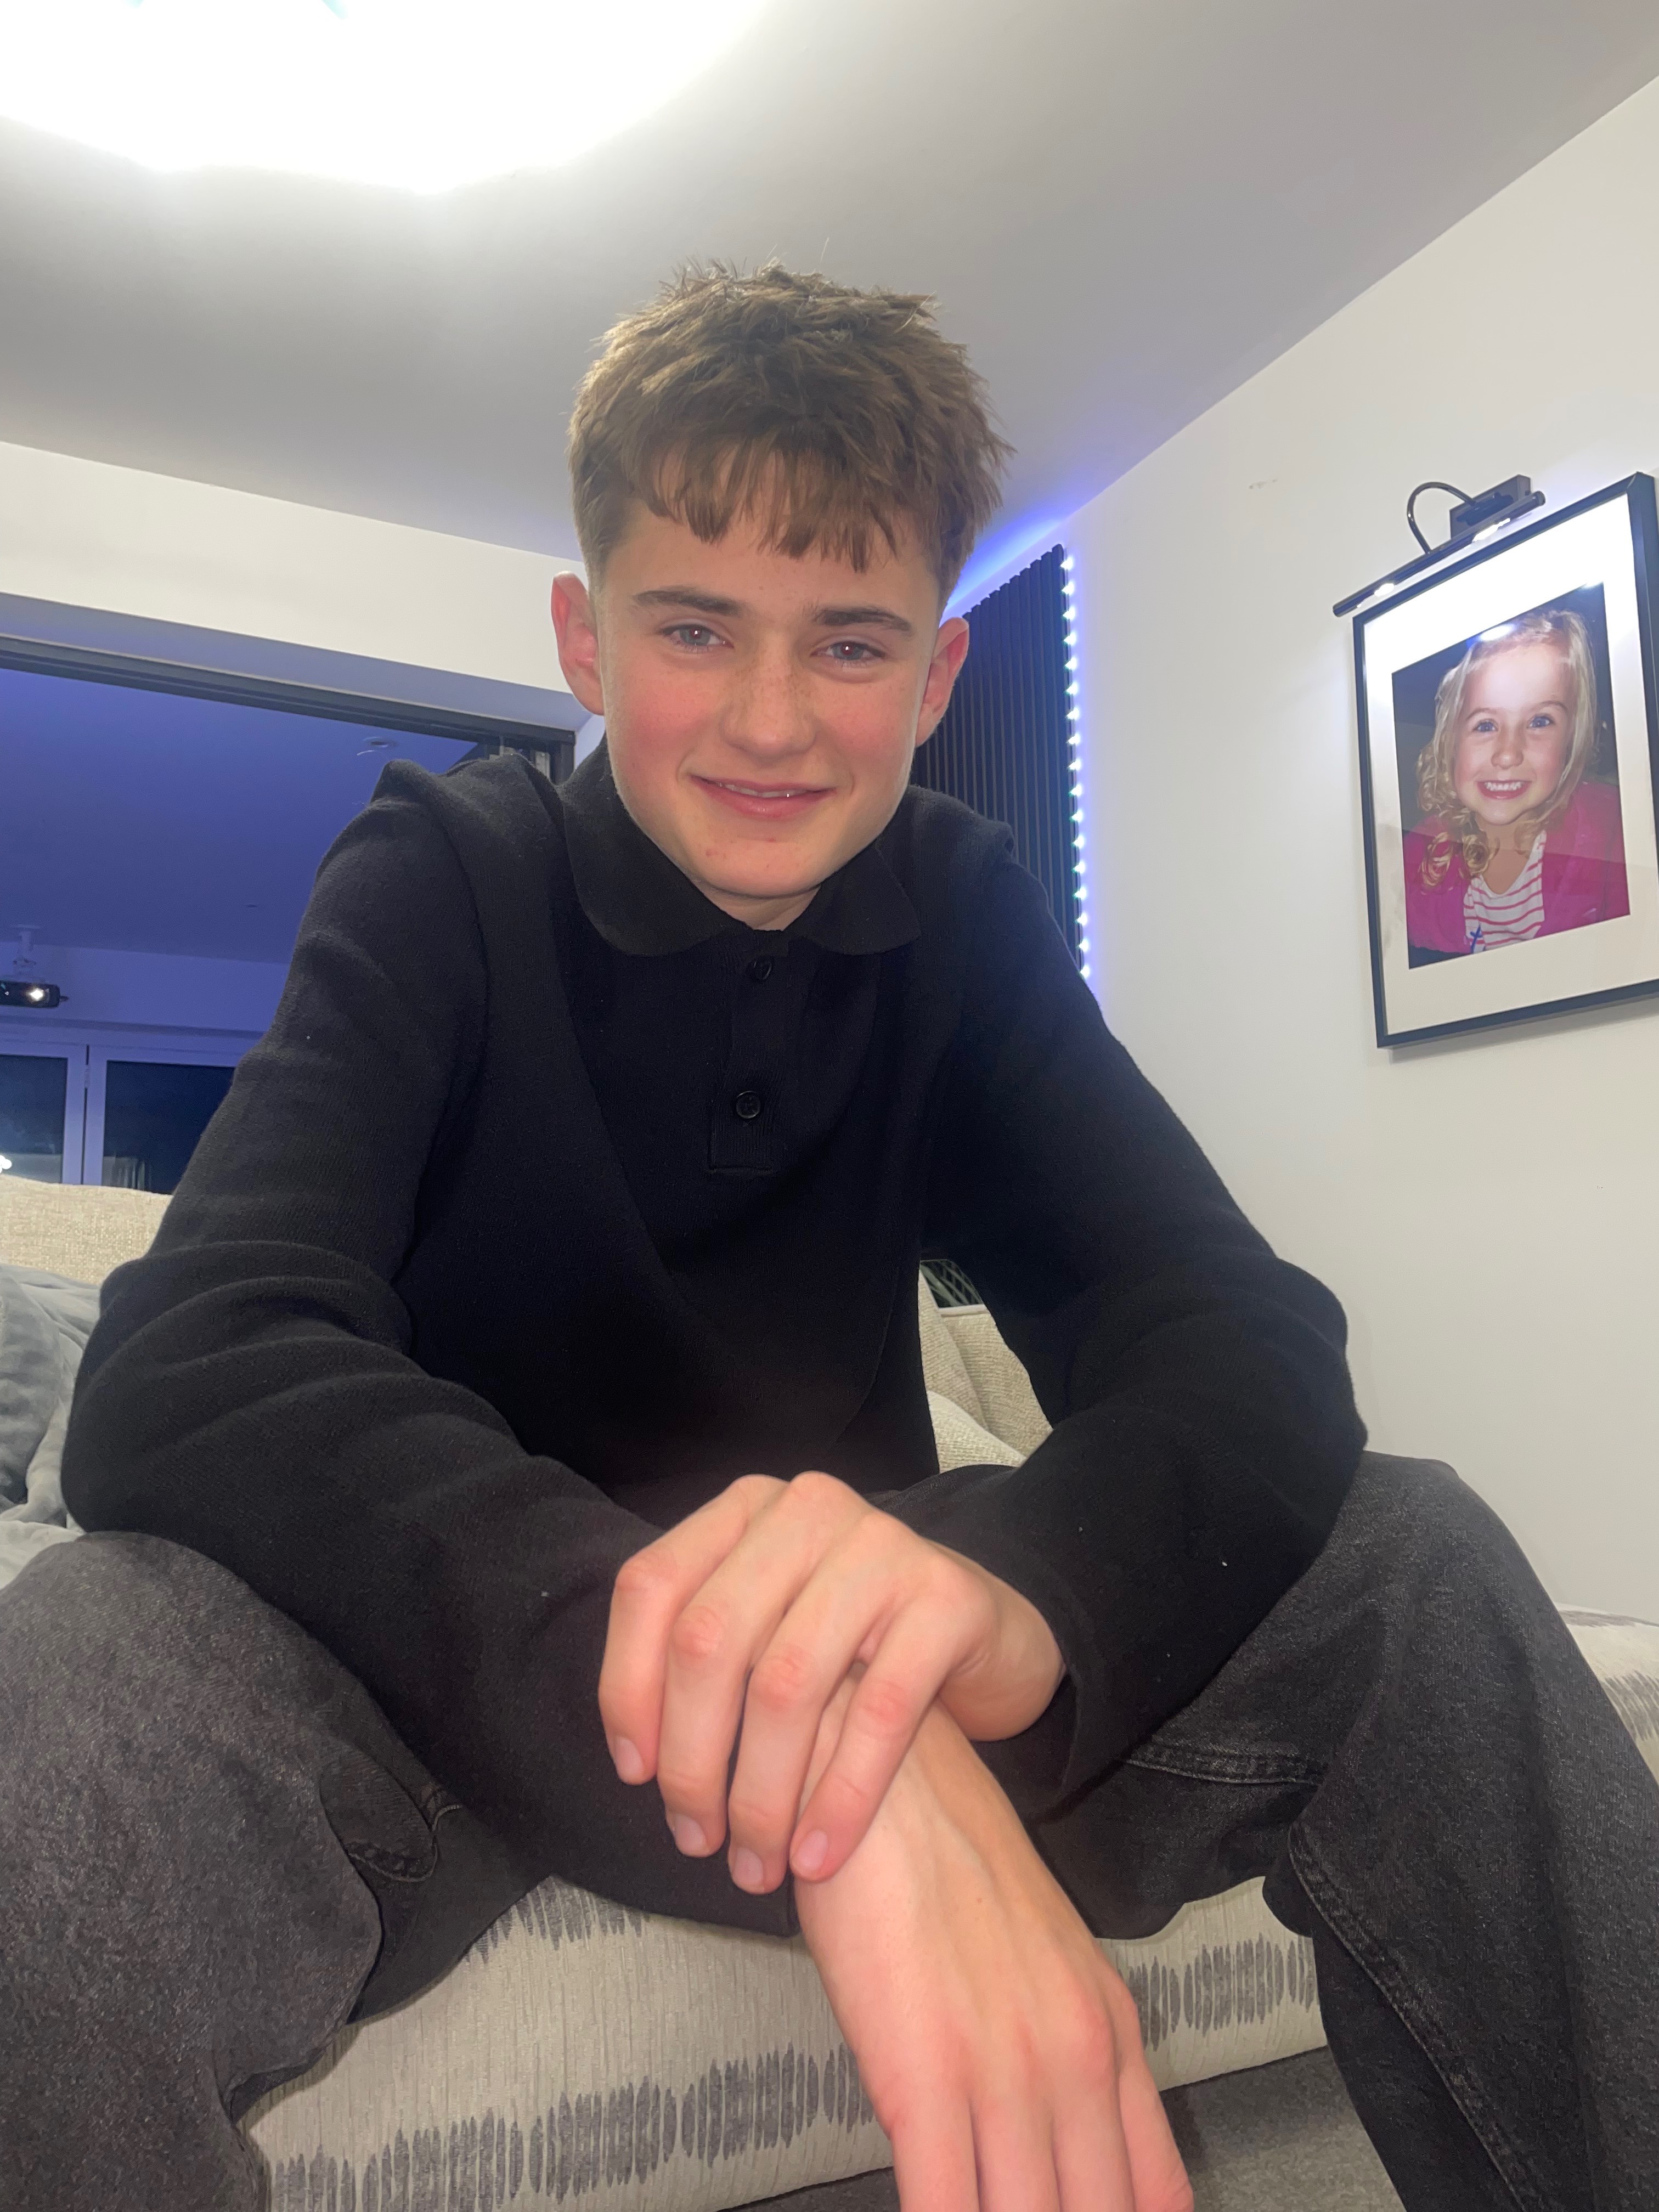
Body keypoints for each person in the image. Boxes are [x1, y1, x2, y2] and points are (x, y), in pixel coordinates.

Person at [1, 265, 1654, 2212]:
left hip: (890, 1637)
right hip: (464, 1666)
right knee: (77, 1680)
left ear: (938, 679)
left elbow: (1233, 1333)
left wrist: (1011, 1602)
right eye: (694, 626)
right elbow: (195, 1355)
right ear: (586, 640)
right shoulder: (441, 871)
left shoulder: (957, 907)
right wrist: (827, 1749)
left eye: (849, 643)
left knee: (1413, 1559)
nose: (772, 720)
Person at [1404, 607, 1629, 960]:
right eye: (1485, 725)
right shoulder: (1413, 860)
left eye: (1540, 721)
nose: (1508, 755)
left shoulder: (1616, 834)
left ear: (1571, 739)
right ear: (1451, 742)